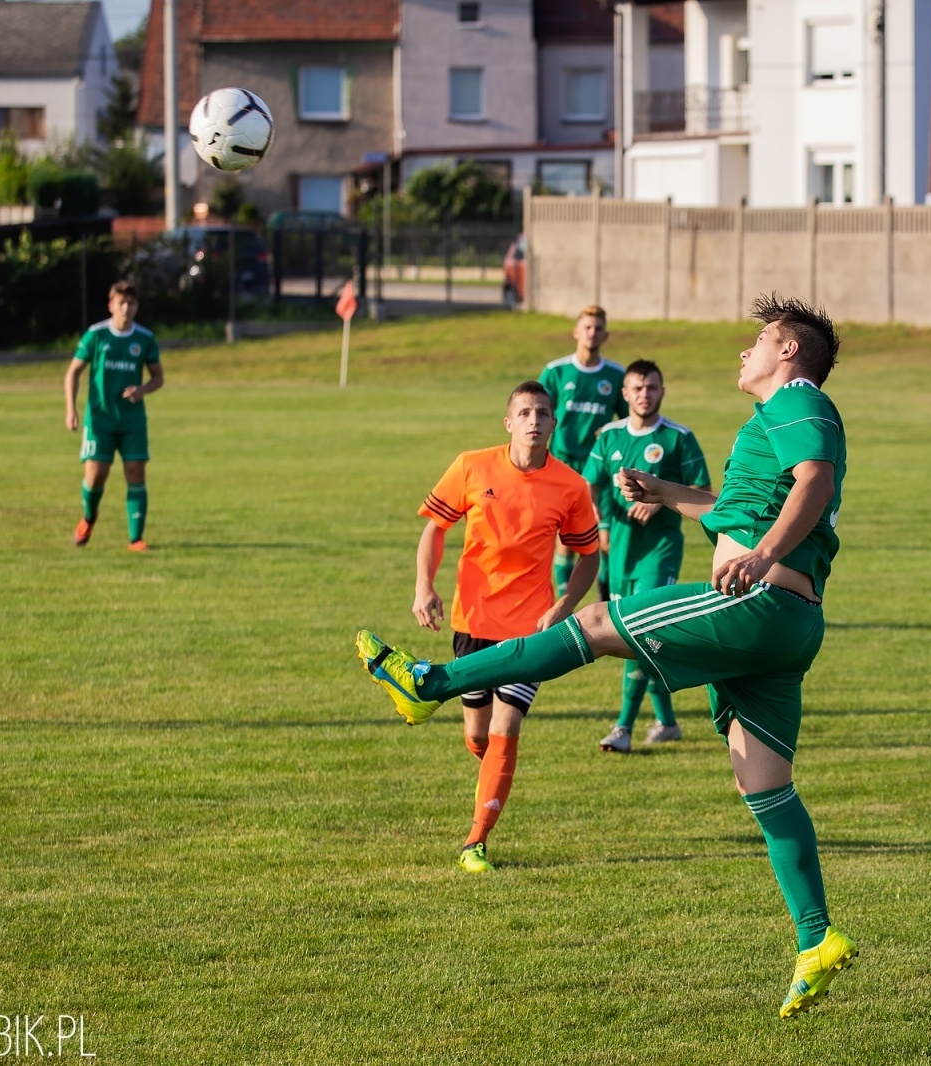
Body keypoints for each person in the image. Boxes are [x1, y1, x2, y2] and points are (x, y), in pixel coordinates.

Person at [355, 295, 856, 1018]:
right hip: (791, 620)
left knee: (592, 623)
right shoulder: (773, 421)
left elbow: (815, 482)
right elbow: (744, 502)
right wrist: (669, 493)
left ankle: (430, 681)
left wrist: (764, 554)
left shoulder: (802, 399)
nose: (741, 353)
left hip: (760, 600)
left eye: (757, 341)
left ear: (787, 353)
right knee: (765, 786)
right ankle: (817, 937)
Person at [358, 380, 600, 875]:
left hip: (531, 629)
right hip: (473, 621)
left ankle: (476, 841)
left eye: (543, 413)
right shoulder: (472, 465)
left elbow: (589, 555)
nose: (535, 420)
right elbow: (435, 529)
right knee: (479, 735)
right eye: (525, 413)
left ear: (555, 424)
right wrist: (424, 586)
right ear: (508, 422)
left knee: (506, 726)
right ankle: (482, 763)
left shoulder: (571, 486)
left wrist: (565, 605)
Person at [582, 359, 711, 753]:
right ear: (624, 394)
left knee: (637, 631)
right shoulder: (609, 436)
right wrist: (599, 525)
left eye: (652, 387)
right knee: (641, 637)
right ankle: (668, 722)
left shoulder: (678, 438)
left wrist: (661, 501)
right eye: (637, 388)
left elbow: (702, 489)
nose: (644, 394)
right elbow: (589, 485)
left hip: (661, 550)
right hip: (619, 552)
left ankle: (622, 728)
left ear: (662, 391)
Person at [64, 280, 163, 551]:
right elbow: (73, 372)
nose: (126, 308)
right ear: (111, 306)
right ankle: (88, 519)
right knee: (96, 477)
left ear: (137, 307)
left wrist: (142, 390)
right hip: (100, 420)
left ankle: (136, 538)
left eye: (131, 303)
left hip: (132, 421)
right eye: (121, 303)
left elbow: (158, 377)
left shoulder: (144, 338)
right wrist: (71, 409)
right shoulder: (96, 335)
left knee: (135, 472)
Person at [538, 305, 626, 598]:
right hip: (562, 463)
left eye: (598, 328)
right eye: (587, 327)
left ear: (606, 334)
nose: (592, 333)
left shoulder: (615, 375)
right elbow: (537, 412)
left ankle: (605, 602)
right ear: (576, 331)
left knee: (603, 536)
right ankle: (565, 600)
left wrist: (610, 433)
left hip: (598, 469)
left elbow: (629, 420)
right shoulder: (556, 371)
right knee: (566, 535)